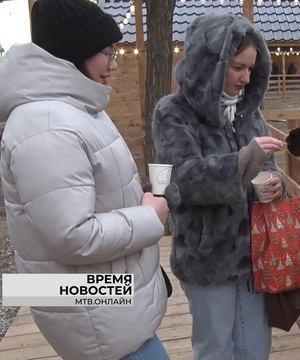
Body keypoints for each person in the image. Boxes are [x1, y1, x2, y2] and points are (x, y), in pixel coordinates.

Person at [0, 1, 170, 359]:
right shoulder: (45, 124)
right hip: (98, 322)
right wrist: (150, 217)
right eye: (106, 52)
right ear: (74, 50)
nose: (112, 64)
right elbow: (72, 236)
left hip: (96, 304)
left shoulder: (73, 108)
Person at [152, 13, 285, 360]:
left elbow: (266, 165)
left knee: (255, 349)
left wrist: (269, 182)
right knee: (215, 350)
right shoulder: (173, 113)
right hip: (206, 256)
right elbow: (180, 179)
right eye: (238, 67)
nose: (246, 78)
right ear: (212, 62)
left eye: (252, 69)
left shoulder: (249, 112)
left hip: (254, 254)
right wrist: (242, 164)